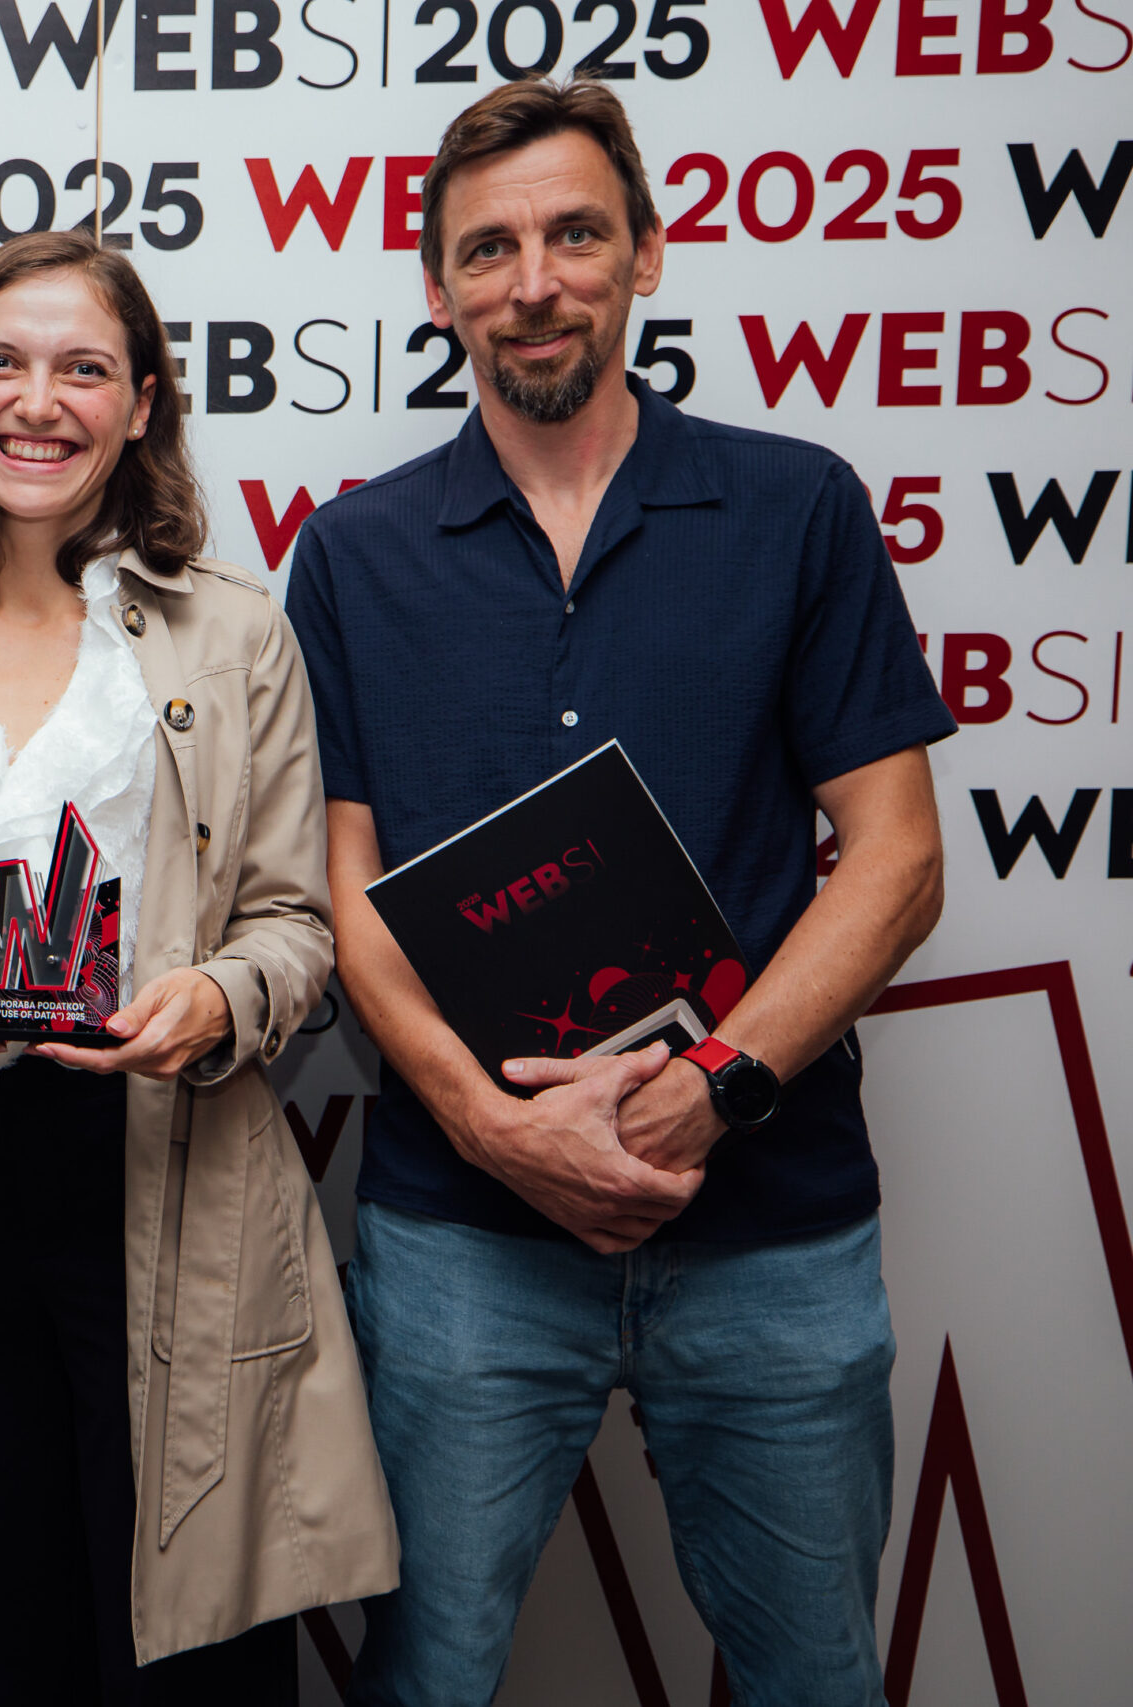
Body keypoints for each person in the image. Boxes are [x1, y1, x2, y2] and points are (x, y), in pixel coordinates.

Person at [283, 76, 957, 1706]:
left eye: (577, 235)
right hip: (463, 1235)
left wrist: (713, 1091)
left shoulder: (798, 507)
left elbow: (898, 857)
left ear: (647, 253)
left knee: (817, 1678)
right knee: (428, 1676)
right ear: (437, 289)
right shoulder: (356, 553)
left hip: (770, 1222)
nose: (535, 284)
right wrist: (490, 1124)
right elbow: (345, 890)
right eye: (489, 249)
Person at [0, 230, 399, 1702]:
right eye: (1, 362)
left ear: (141, 405)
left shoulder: (234, 632)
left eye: (83, 369)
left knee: (187, 1652)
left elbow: (296, 924)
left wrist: (217, 999)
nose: (37, 401)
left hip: (167, 1173)